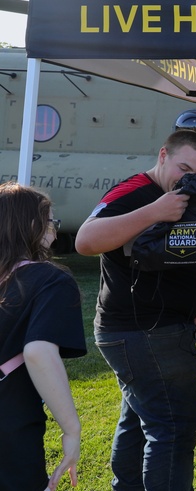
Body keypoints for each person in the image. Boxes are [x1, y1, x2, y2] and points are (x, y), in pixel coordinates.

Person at [75, 130, 196, 491]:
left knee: (138, 420)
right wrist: (154, 211)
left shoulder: (182, 195)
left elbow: (182, 253)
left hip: (163, 327)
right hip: (142, 331)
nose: (188, 179)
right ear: (163, 154)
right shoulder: (135, 191)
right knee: (174, 426)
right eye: (184, 167)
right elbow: (85, 241)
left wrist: (192, 305)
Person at [0, 183, 86, 491]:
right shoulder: (50, 279)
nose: (54, 227)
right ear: (32, 225)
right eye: (50, 219)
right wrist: (71, 428)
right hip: (10, 425)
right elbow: (38, 352)